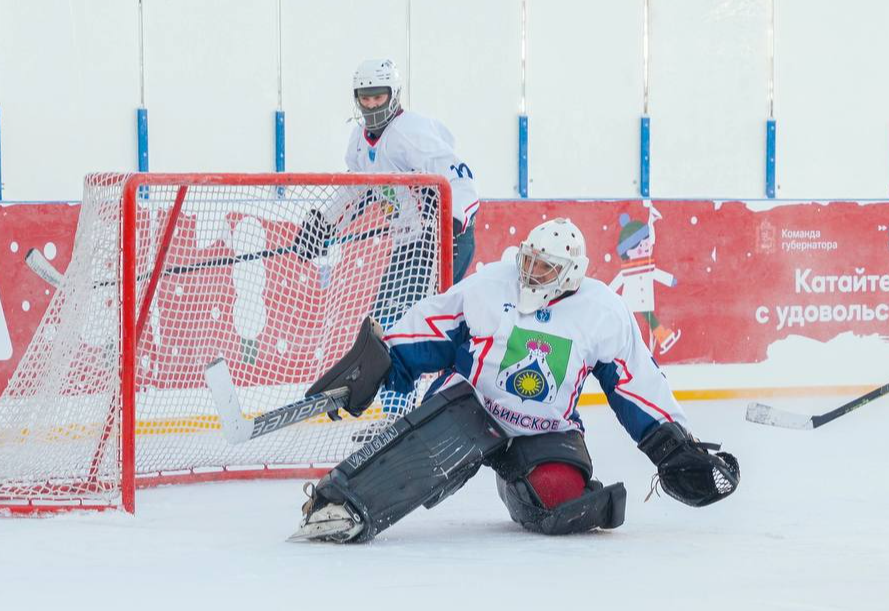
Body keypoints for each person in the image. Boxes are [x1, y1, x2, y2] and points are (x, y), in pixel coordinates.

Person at [291, 218, 740, 543]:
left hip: (544, 429)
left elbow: (635, 384)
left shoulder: (603, 312)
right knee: (410, 465)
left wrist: (671, 446)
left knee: (564, 501)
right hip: (466, 408)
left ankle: (516, 480)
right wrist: (379, 366)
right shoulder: (491, 284)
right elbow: (430, 329)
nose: (529, 273)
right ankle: (340, 500)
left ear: (569, 273)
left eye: (543, 268)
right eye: (528, 260)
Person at [302, 58, 480, 442]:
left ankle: (413, 411)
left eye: (378, 96)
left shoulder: (410, 131)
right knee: (387, 322)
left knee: (410, 324)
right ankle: (399, 413)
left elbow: (460, 175)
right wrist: (322, 226)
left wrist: (454, 218)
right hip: (410, 243)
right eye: (364, 99)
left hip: (442, 240)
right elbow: (356, 191)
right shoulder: (359, 142)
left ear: (394, 95)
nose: (371, 106)